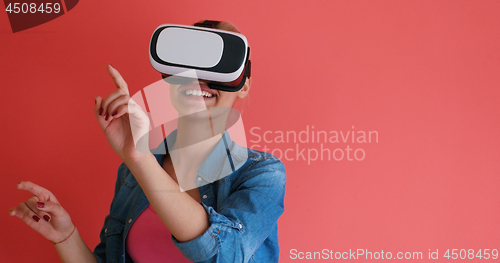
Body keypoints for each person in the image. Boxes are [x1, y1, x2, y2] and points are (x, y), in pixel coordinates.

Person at [8, 20, 286, 263]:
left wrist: (140, 160)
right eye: (187, 66)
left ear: (244, 83)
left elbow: (225, 254)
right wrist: (66, 237)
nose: (199, 81)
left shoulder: (261, 173)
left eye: (216, 68)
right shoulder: (133, 171)